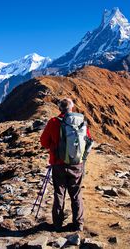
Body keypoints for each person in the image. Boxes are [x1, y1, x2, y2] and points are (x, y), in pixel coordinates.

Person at [40, 98, 93, 232]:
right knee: (76, 194)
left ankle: (58, 225)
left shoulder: (53, 122)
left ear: (59, 108)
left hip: (58, 164)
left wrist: (54, 147)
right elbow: (87, 141)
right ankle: (78, 224)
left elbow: (44, 142)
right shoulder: (81, 121)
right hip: (77, 163)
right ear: (72, 108)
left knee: (59, 193)